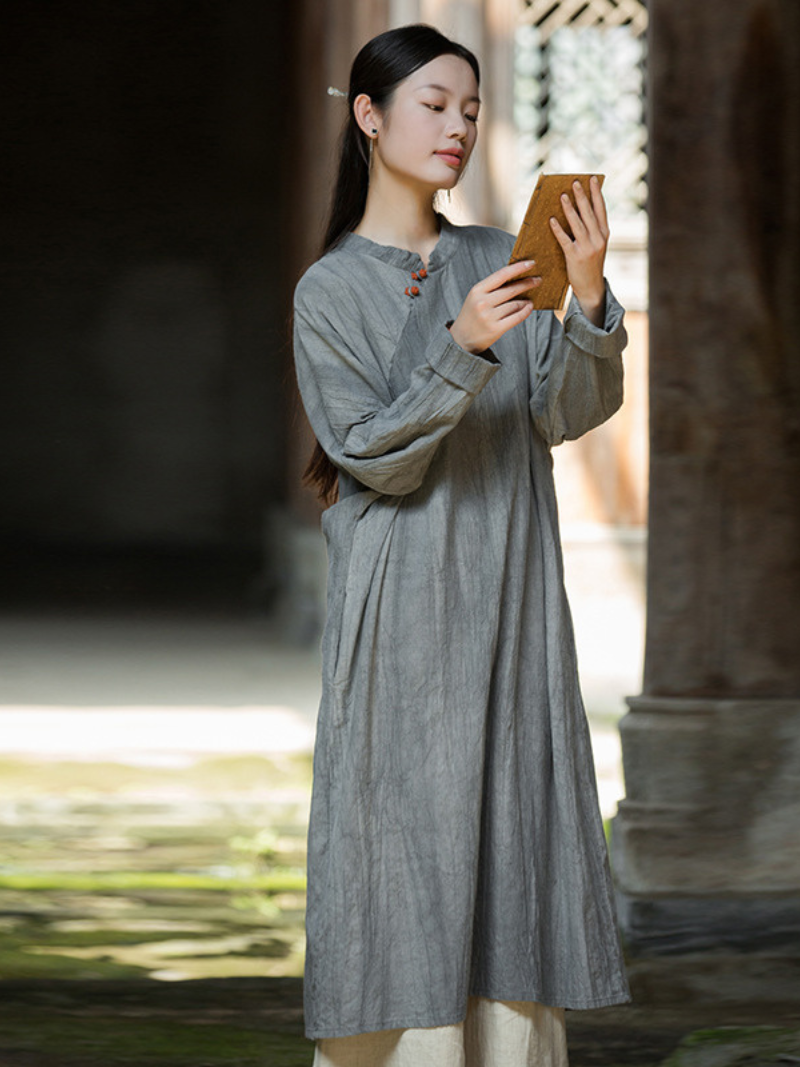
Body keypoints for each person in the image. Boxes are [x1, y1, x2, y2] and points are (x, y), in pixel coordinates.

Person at [291, 22, 632, 1067]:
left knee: (513, 821)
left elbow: (564, 411)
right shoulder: (328, 290)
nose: (456, 127)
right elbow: (369, 456)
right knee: (403, 828)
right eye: (432, 104)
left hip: (511, 595)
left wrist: (583, 296)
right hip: (400, 609)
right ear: (368, 115)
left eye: (470, 109)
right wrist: (459, 346)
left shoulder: (496, 256)